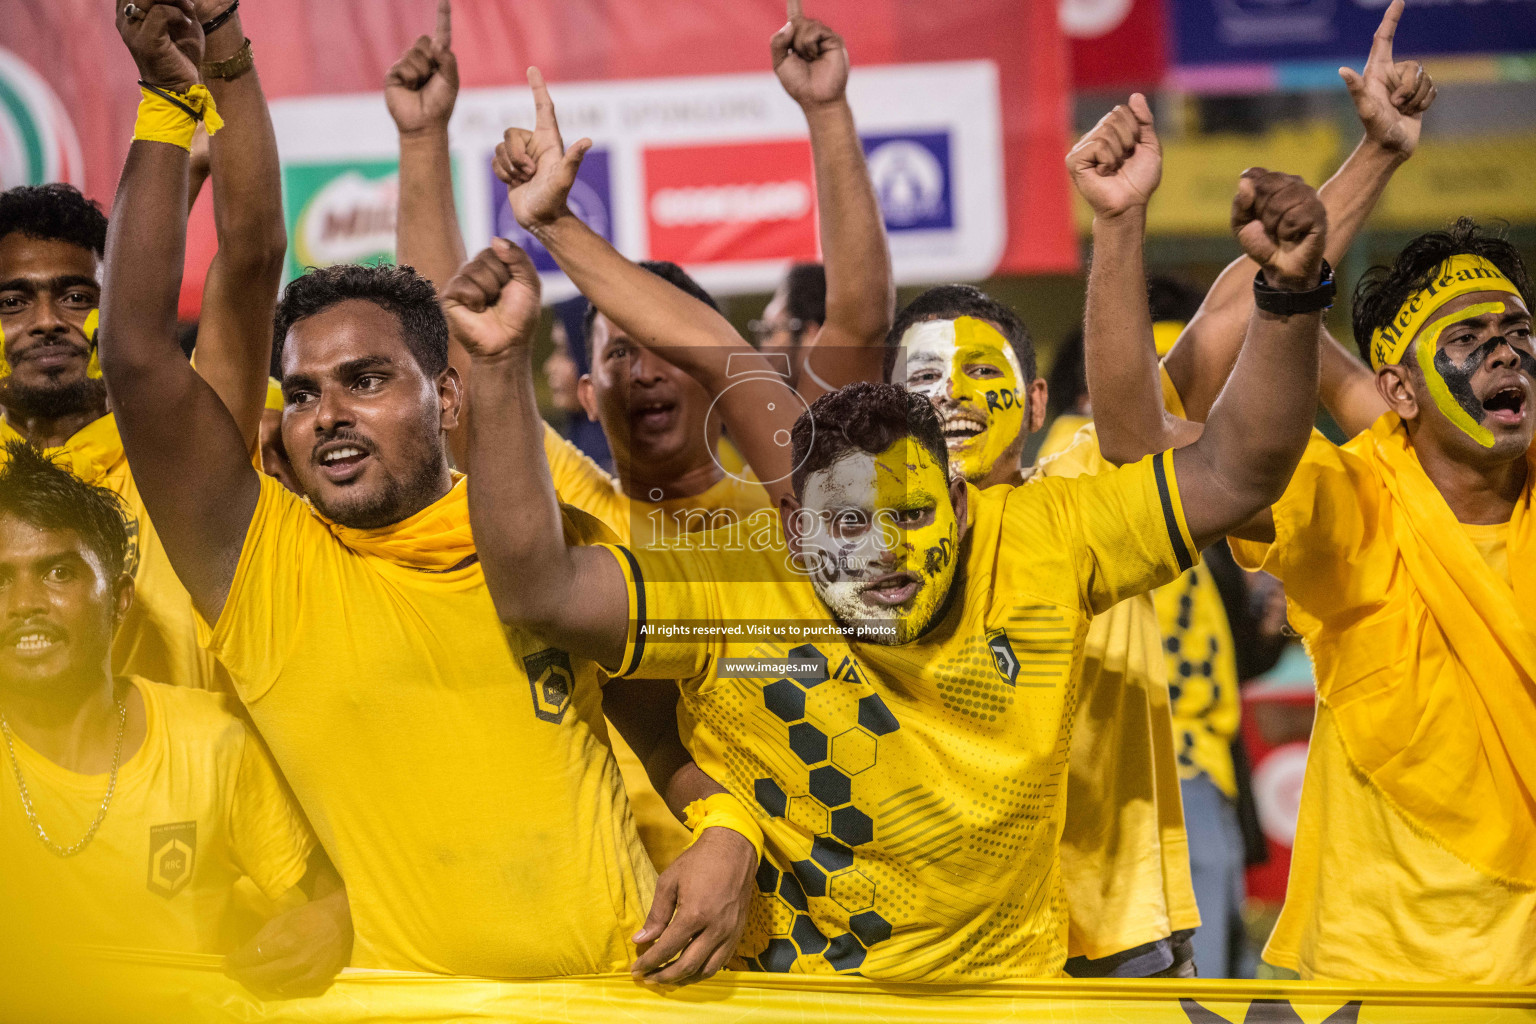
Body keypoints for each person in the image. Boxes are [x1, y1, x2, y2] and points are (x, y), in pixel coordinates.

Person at [452, 53, 1330, 974]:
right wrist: (517, 323)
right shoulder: (737, 582)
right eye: (845, 526)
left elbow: (1239, 470)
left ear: (957, 498)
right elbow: (539, 587)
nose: (884, 552)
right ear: (793, 526)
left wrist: (1290, 296)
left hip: (1020, 995)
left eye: (912, 516)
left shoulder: (1047, 532)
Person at [96, 3, 757, 985]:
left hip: (619, 1003)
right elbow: (142, 354)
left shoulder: (547, 540)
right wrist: (168, 94)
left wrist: (729, 831)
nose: (326, 415)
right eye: (306, 394)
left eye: (365, 380)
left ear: (446, 397)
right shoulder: (259, 564)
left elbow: (661, 734)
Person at [1067, 1, 1444, 979]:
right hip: (1146, 833)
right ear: (1396, 392)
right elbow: (1151, 420)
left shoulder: (1440, 473)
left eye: (1518, 333)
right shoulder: (1361, 494)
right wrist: (1366, 170)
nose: (1502, 356)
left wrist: (1373, 161)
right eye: (1466, 340)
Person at [0, 0, 283, 694]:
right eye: (11, 302)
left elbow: (252, 254)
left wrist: (219, 35)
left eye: (77, 297)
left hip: (198, 798)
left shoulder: (183, 443)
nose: (45, 322)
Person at [0, 440, 350, 1000]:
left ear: (118, 600)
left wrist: (332, 924)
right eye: (0, 580)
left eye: (58, 572)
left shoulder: (210, 740)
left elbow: (326, 893)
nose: (23, 604)